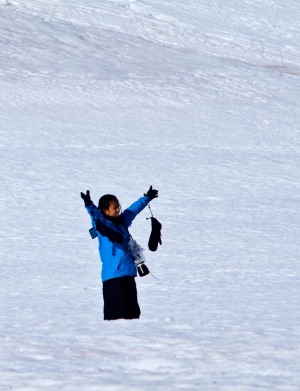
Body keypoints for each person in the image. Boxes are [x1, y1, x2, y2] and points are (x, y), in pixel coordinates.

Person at [80, 186, 158, 321]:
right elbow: (94, 215)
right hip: (113, 277)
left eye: (118, 206)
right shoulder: (101, 225)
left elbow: (133, 210)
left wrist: (146, 198)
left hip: (128, 274)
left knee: (133, 315)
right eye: (114, 207)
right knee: (115, 317)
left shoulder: (122, 222)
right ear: (105, 210)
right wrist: (89, 204)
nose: (117, 209)